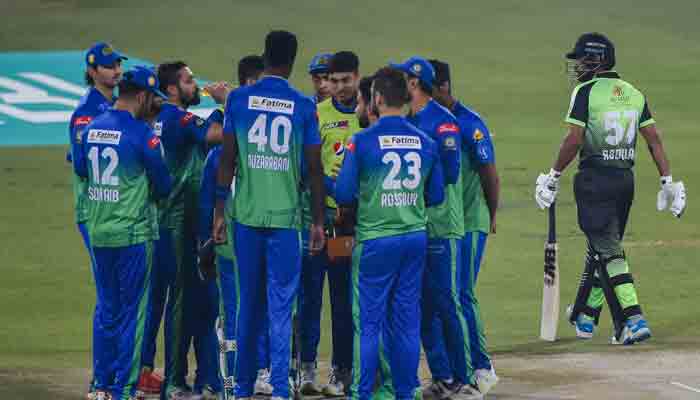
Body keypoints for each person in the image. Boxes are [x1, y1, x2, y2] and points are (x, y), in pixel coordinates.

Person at [534, 32, 687, 345]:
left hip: (594, 182)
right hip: (624, 183)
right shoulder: (633, 92)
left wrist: (553, 174)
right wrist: (666, 181)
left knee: (609, 251)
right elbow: (654, 139)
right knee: (600, 249)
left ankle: (633, 318)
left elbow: (574, 139)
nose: (577, 66)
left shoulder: (585, 92)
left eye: (581, 60)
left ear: (596, 60)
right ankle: (586, 316)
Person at [213, 30, 326, 400]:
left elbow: (227, 161)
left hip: (244, 219)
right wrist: (319, 222)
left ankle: (243, 389)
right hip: (284, 223)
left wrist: (218, 213)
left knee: (248, 306)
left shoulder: (239, 100)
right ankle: (279, 389)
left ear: (264, 57)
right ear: (292, 62)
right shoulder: (303, 106)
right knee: (281, 308)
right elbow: (314, 169)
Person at [332, 66, 445, 400]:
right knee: (406, 321)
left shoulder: (362, 141)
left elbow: (343, 195)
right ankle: (406, 392)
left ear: (377, 99)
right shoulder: (426, 142)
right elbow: (436, 196)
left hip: (376, 241)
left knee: (369, 325)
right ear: (408, 98)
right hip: (414, 238)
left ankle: (362, 393)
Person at [72, 65, 172, 400]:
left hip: (99, 233)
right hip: (132, 236)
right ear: (142, 96)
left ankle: (100, 386)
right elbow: (164, 186)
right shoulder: (143, 135)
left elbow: (82, 169)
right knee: (133, 314)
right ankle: (124, 389)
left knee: (107, 309)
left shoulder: (92, 127)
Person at [144, 61, 226, 400]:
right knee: (179, 303)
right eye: (190, 81)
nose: (196, 86)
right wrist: (226, 104)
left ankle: (172, 376)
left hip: (166, 223)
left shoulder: (161, 119)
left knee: (174, 302)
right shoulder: (177, 117)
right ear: (174, 89)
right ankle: (174, 383)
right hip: (177, 223)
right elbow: (216, 135)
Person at [390, 56, 469, 397]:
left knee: (447, 303)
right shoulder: (411, 120)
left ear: (413, 83)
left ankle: (465, 378)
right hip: (419, 228)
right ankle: (443, 376)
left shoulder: (443, 122)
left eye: (403, 79)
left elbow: (450, 174)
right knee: (422, 307)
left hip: (441, 227)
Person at [198, 54, 274, 400]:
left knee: (264, 310)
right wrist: (208, 242)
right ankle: (233, 388)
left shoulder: (268, 143)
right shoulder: (223, 151)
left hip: (262, 240)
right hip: (233, 247)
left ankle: (262, 374)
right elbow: (210, 198)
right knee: (235, 315)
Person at [430, 59, 500, 396]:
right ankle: (449, 372)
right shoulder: (430, 120)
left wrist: (492, 214)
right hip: (445, 224)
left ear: (443, 87)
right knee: (446, 297)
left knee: (461, 294)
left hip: (470, 220)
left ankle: (482, 367)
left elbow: (490, 173)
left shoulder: (469, 124)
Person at [300, 51, 361, 397]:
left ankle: (341, 372)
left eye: (343, 80)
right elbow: (308, 170)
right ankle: (307, 369)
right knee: (310, 297)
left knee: (341, 300)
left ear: (356, 77)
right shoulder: (316, 114)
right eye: (332, 81)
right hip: (319, 222)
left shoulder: (367, 117)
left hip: (348, 227)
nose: (337, 87)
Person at [67, 41, 126, 400]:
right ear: (93, 71)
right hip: (96, 215)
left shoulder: (112, 107)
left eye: (118, 64)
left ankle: (118, 375)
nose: (116, 71)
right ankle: (101, 382)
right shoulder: (87, 112)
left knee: (119, 299)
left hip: (117, 215)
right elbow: (81, 165)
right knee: (111, 300)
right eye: (109, 66)